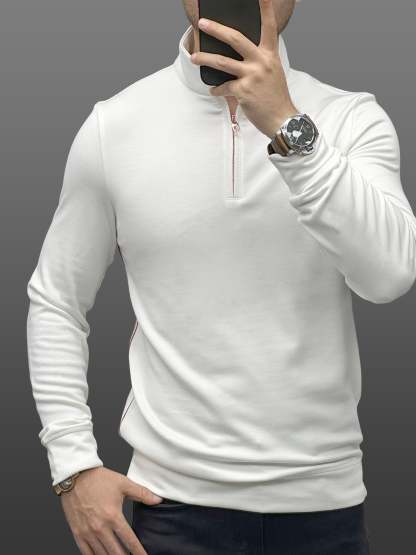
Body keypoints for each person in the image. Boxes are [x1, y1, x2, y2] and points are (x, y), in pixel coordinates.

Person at [26, 0, 416, 553]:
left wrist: (286, 124)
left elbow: (389, 276)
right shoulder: (115, 125)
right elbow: (57, 300)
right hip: (169, 507)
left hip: (324, 505)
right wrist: (73, 466)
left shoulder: (350, 117)